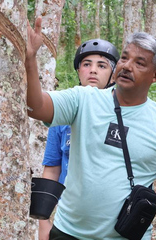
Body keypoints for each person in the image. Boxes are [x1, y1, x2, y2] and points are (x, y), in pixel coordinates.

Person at [26, 17, 156, 240]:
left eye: (139, 63)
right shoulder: (83, 99)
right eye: (124, 58)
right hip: (69, 233)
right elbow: (36, 107)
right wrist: (30, 59)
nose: (126, 66)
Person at [39, 39, 120, 240]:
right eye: (86, 64)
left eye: (102, 65)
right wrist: (43, 219)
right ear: (78, 71)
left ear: (113, 74)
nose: (93, 70)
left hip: (115, 223)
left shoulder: (124, 114)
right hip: (70, 220)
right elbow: (52, 168)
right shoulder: (61, 115)